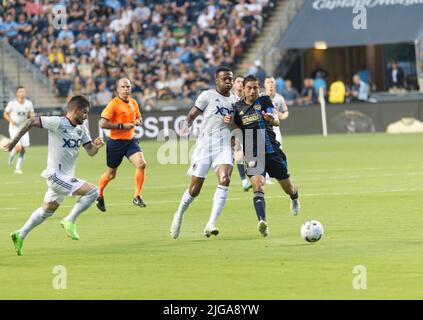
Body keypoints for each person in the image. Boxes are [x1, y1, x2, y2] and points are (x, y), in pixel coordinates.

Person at [3, 95, 105, 256]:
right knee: (93, 191)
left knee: (47, 211)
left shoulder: (82, 127)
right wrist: (13, 143)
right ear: (75, 110)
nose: (86, 116)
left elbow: (90, 151)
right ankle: (69, 220)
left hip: (65, 177)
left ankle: (19, 234)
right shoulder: (57, 122)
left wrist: (96, 146)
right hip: (55, 176)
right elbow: (30, 121)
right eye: (84, 113)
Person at [170, 66, 237, 239]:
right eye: (225, 78)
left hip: (224, 147)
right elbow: (192, 114)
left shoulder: (236, 101)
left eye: (230, 78)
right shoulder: (207, 96)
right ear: (217, 80)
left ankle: (211, 223)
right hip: (205, 146)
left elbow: (238, 126)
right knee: (194, 190)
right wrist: (187, 124)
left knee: (225, 179)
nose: (228, 81)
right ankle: (179, 214)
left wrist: (235, 135)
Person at [230, 75, 300, 237]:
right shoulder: (237, 108)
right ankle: (262, 221)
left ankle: (294, 198)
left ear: (258, 87)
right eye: (249, 88)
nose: (253, 91)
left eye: (255, 87)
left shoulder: (265, 101)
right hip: (253, 154)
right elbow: (236, 129)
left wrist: (272, 119)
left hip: (272, 152)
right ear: (244, 89)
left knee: (289, 188)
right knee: (258, 186)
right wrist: (230, 123)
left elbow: (276, 120)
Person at [96, 78, 147, 212]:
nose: (126, 89)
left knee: (141, 164)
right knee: (111, 175)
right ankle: (99, 194)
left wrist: (138, 121)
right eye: (123, 87)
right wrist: (121, 126)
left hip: (130, 140)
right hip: (115, 143)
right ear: (117, 89)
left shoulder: (134, 103)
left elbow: (139, 117)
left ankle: (137, 196)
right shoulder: (113, 105)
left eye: (128, 87)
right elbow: (102, 123)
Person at [3, 86, 35, 174]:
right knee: (18, 147)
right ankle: (11, 157)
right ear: (17, 93)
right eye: (20, 91)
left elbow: (31, 113)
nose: (22, 93)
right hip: (14, 128)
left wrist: (32, 117)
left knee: (23, 149)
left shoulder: (29, 103)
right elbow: (5, 114)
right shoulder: (12, 103)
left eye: (23, 91)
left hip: (24, 127)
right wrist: (10, 120)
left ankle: (18, 168)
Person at [232, 75, 252, 191]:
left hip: (247, 129)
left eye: (242, 82)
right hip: (234, 130)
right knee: (238, 154)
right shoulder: (230, 98)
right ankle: (244, 181)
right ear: (234, 84)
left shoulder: (247, 98)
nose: (240, 84)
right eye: (238, 81)